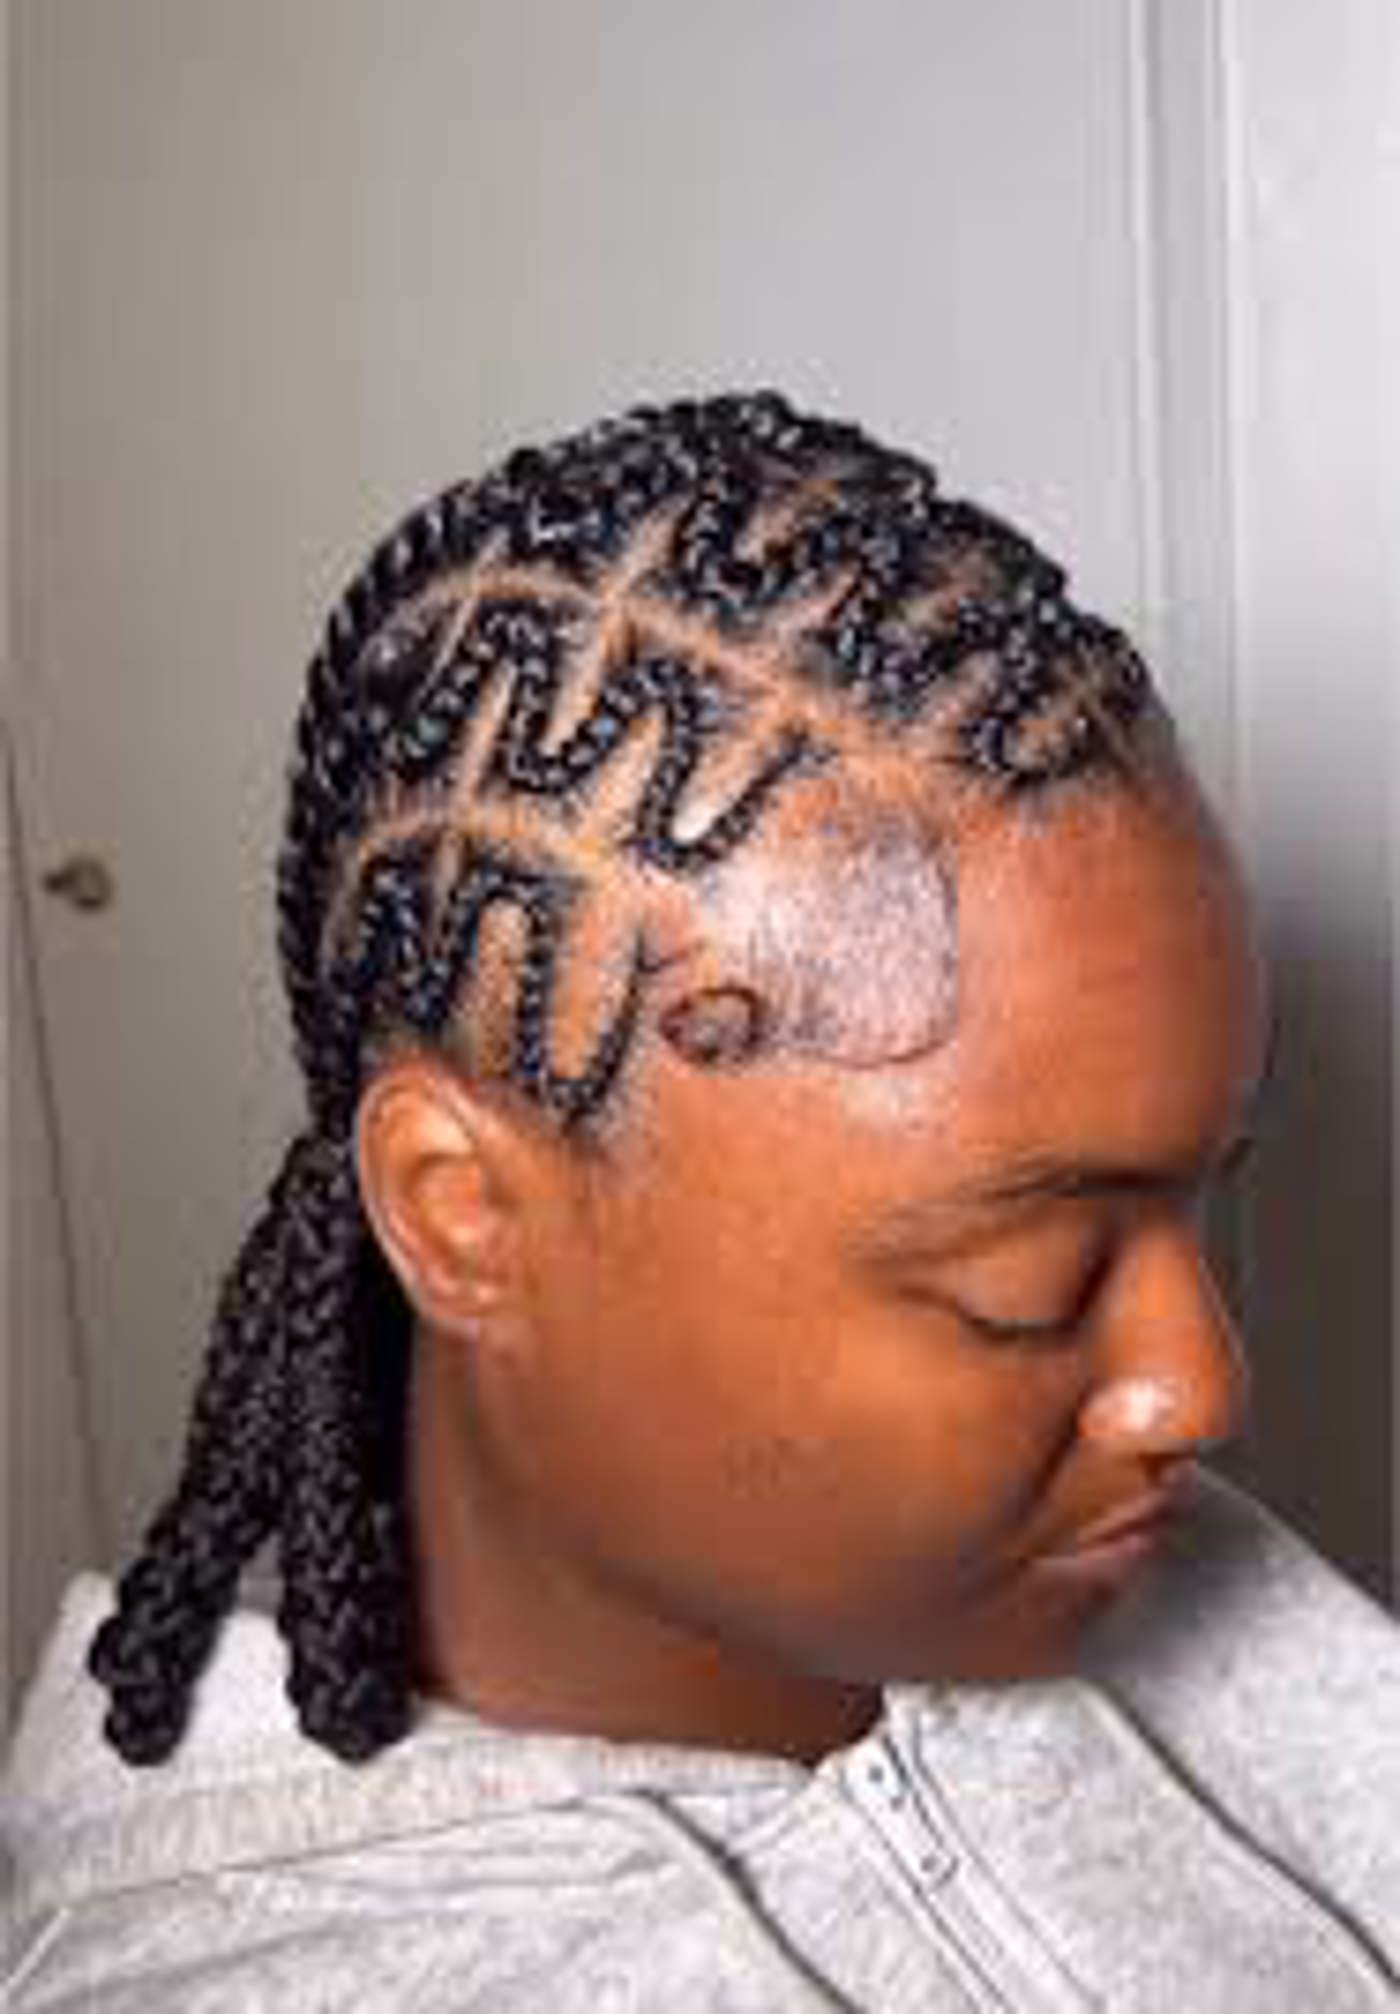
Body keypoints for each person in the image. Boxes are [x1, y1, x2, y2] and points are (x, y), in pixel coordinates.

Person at [3, 391, 1396, 2010]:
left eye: (1197, 1195)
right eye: (1030, 1281)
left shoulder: (1141, 1562)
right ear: (465, 1215)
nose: (1198, 1386)